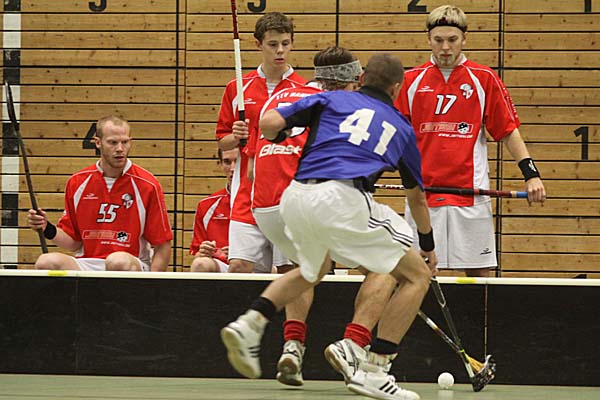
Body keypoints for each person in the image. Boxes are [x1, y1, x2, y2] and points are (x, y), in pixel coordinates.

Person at [221, 53, 437, 400]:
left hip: (296, 197)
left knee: (313, 269)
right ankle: (375, 369)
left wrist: (278, 137)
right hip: (342, 198)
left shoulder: (330, 99)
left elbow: (269, 122)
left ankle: (250, 323)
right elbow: (418, 199)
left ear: (362, 78)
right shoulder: (402, 128)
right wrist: (427, 246)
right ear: (397, 88)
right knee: (416, 275)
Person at [395, 5, 546, 277]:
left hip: (471, 194)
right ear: (428, 39)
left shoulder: (484, 78)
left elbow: (508, 131)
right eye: (438, 40)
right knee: (417, 274)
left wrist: (531, 174)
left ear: (464, 39)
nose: (445, 48)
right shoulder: (410, 81)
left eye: (452, 40)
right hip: (423, 197)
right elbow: (393, 134)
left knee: (481, 273)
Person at [250, 46, 366, 387]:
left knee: (303, 267)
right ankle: (354, 346)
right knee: (383, 267)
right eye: (355, 84)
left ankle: (293, 346)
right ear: (344, 83)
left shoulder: (281, 95)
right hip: (299, 201)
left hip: (264, 206)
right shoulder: (339, 105)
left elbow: (261, 155)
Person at [216, 12, 306, 273]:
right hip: (248, 190)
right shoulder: (237, 88)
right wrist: (236, 136)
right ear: (258, 44)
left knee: (290, 269)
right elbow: (223, 142)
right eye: (273, 44)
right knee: (239, 266)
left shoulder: (305, 90)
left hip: (287, 192)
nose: (280, 51)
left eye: (286, 44)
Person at [27, 115, 172, 271]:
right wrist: (45, 227)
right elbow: (74, 243)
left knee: (117, 261)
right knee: (46, 261)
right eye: (113, 142)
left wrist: (153, 283)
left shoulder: (147, 184)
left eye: (125, 142)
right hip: (88, 263)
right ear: (97, 142)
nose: (120, 149)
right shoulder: (78, 182)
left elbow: (162, 245)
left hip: (130, 263)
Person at [189, 148, 238, 272]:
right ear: (220, 164)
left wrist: (241, 255)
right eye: (227, 162)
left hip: (256, 267)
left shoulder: (263, 203)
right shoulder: (206, 206)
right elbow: (197, 254)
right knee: (200, 264)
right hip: (222, 266)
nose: (232, 168)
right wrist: (204, 252)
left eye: (238, 162)